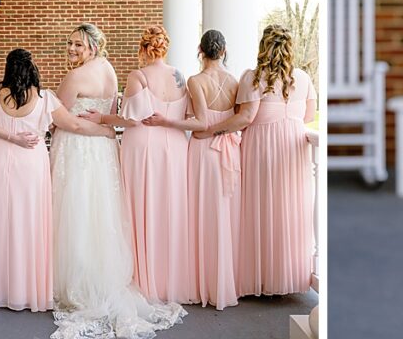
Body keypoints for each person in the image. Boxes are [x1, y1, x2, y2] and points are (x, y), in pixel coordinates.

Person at [50, 23, 185, 339]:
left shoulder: (75, 77)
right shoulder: (110, 71)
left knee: (77, 212)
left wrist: (99, 130)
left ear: (93, 48)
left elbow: (57, 117)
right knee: (100, 214)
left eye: (78, 45)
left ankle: (78, 283)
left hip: (79, 149)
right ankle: (102, 277)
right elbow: (113, 114)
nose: (71, 50)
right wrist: (107, 132)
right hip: (105, 153)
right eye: (69, 44)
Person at [0, 48, 110, 313]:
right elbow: (76, 125)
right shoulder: (45, 99)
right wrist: (105, 130)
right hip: (30, 163)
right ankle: (26, 289)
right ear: (31, 68)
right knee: (28, 223)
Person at [204, 25, 316, 297]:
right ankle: (286, 276)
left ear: (263, 46)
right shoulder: (302, 78)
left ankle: (261, 277)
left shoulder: (254, 78)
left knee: (259, 207)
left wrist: (213, 130)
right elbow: (309, 115)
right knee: (288, 208)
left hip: (263, 147)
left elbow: (245, 118)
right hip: (293, 145)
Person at [149, 29, 241, 309]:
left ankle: (205, 284)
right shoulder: (235, 81)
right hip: (231, 150)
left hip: (204, 151)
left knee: (202, 215)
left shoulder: (196, 80)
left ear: (200, 51)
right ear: (223, 51)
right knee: (226, 215)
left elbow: (200, 123)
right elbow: (235, 118)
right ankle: (225, 282)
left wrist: (168, 122)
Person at [117, 26, 197, 304]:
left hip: (143, 147)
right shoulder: (180, 77)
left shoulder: (137, 76)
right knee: (170, 207)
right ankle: (170, 278)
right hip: (175, 146)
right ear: (164, 48)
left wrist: (102, 119)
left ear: (143, 48)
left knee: (141, 206)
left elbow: (129, 119)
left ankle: (143, 276)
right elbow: (187, 113)